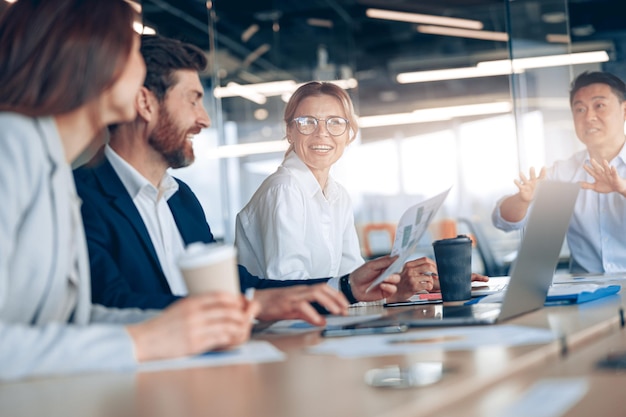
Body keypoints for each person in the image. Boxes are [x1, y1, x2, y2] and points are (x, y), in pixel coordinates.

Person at [74, 35, 417, 327]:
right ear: (145, 103)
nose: (205, 119)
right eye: (193, 99)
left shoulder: (182, 200)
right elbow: (108, 307)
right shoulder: (78, 199)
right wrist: (247, 305)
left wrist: (347, 287)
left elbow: (237, 285)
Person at [0, 0, 257, 381]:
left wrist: (192, 324)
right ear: (94, 57)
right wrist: (142, 342)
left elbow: (77, 320)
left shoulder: (54, 169)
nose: (140, 67)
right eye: (130, 47)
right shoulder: (11, 145)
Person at [234, 82, 440, 292]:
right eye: (307, 122)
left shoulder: (337, 195)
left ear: (348, 133)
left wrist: (417, 283)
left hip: (318, 319)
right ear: (290, 131)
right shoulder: (284, 189)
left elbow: (354, 280)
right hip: (279, 323)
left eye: (335, 122)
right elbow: (290, 289)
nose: (322, 132)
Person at [492, 71, 626, 274]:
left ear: (624, 111)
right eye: (579, 109)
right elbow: (503, 221)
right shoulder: (564, 173)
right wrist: (523, 200)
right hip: (588, 294)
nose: (589, 117)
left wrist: (622, 189)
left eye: (599, 106)